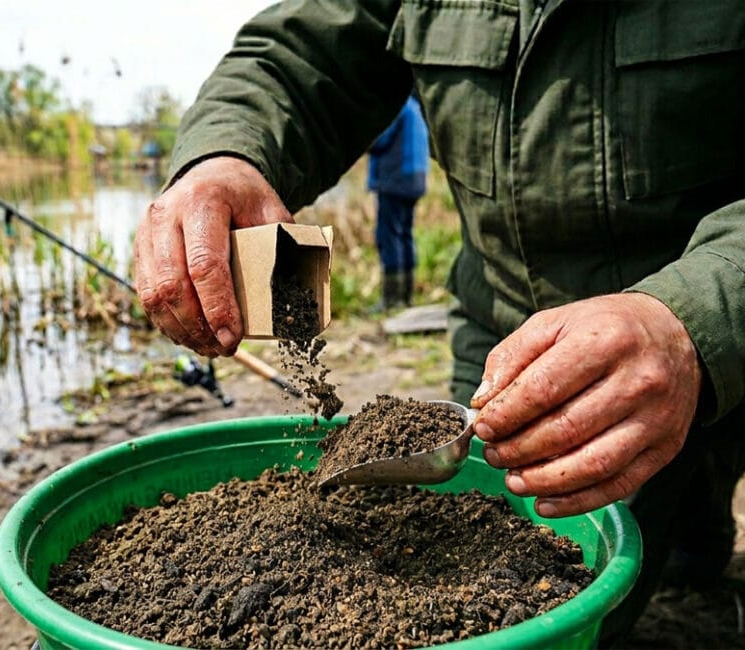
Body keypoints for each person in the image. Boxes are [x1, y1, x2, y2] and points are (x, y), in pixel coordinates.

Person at [132, 1, 745, 643]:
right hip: (503, 326)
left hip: (696, 299)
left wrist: (697, 320)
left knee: (669, 527)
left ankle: (705, 492)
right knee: (522, 565)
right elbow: (304, 51)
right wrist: (225, 152)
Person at [367, 95, 429, 311]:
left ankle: (391, 299)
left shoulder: (396, 106)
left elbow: (379, 139)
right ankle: (405, 296)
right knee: (404, 234)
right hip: (415, 178)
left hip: (395, 179)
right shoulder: (416, 106)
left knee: (388, 236)